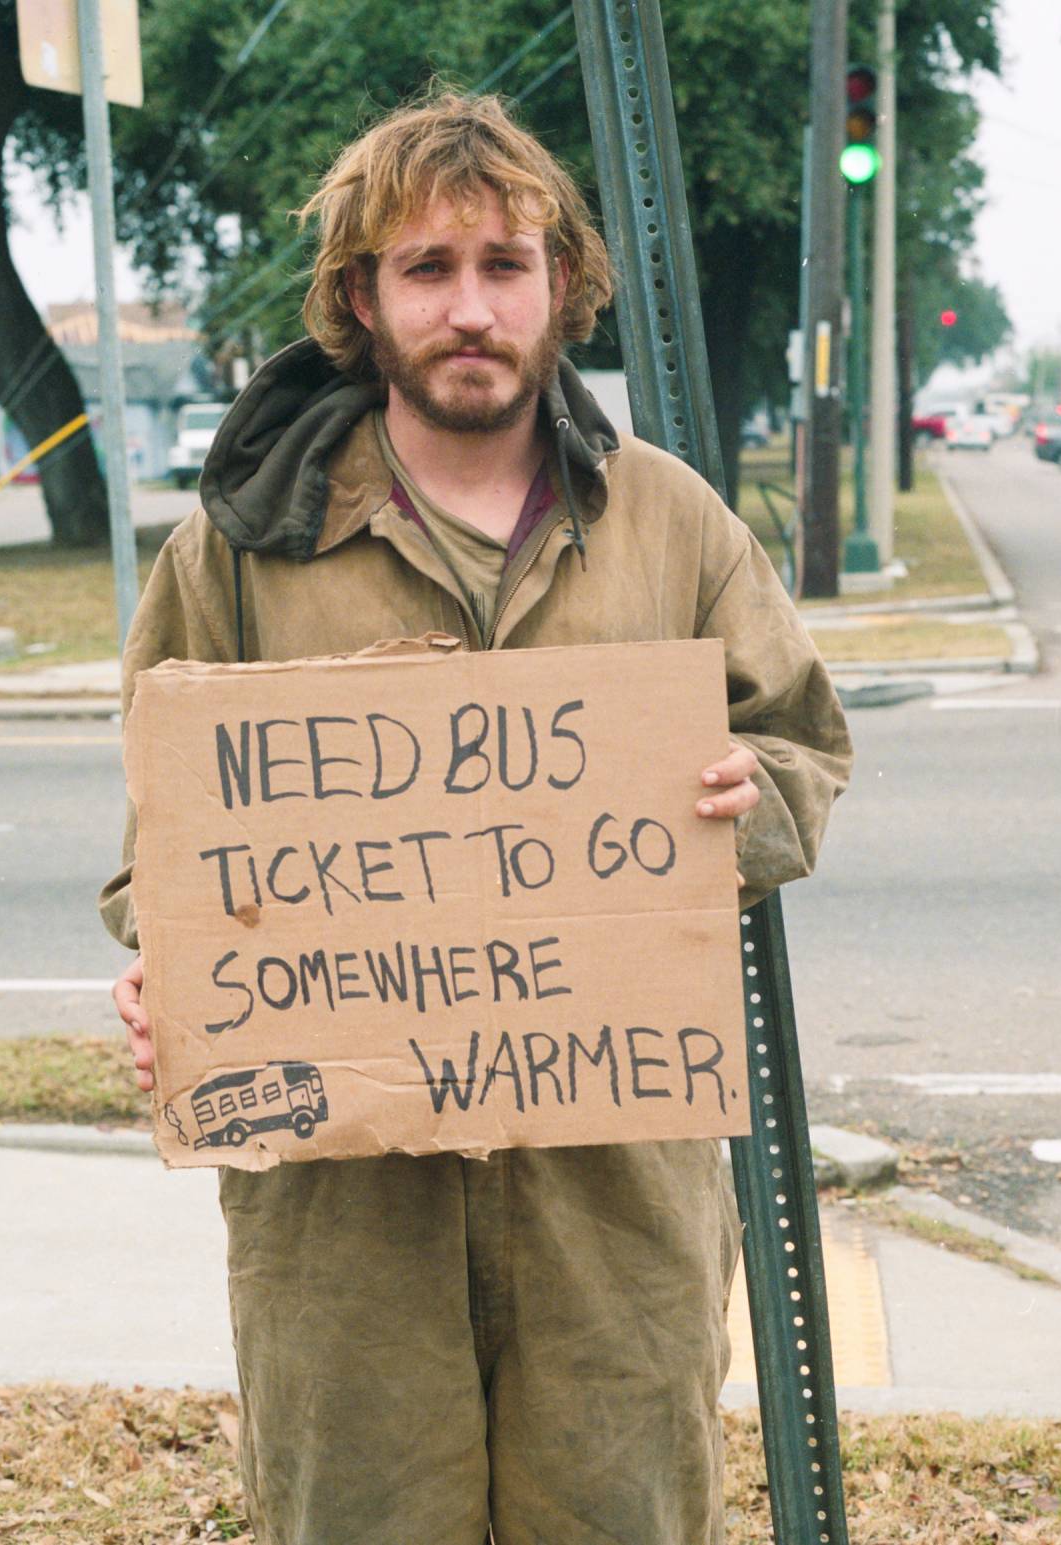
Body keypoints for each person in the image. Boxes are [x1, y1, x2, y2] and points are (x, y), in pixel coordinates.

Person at [100, 89, 850, 1545]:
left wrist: (747, 804)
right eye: (425, 270)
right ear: (361, 301)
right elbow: (163, 838)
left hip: (611, 1200)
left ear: (562, 288)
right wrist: (175, 967)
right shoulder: (244, 546)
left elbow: (802, 744)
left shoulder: (675, 521)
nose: (469, 307)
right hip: (341, 1218)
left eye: (504, 265)